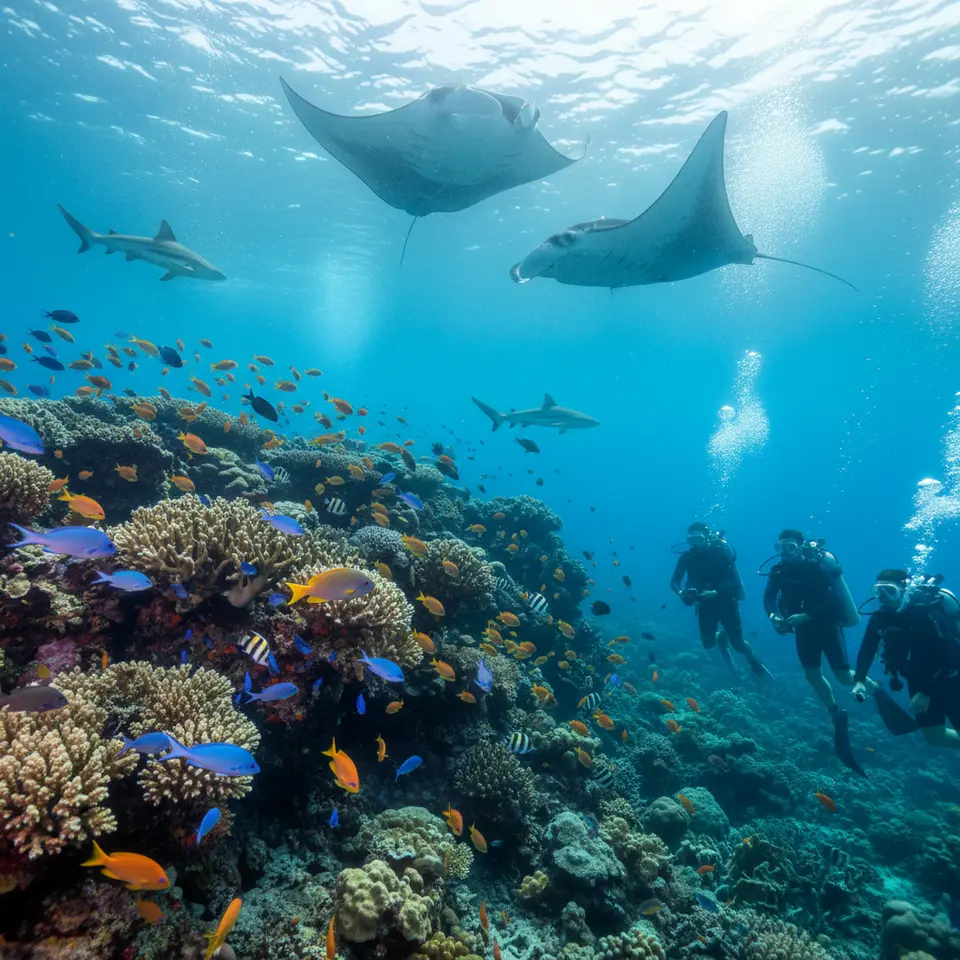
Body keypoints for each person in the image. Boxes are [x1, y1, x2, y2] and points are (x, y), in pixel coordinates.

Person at [762, 528, 867, 774]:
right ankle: (835, 712)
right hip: (801, 629)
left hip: (827, 626)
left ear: (800, 547)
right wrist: (774, 617)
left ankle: (871, 686)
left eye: (790, 547)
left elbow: (834, 602)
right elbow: (768, 599)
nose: (785, 552)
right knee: (811, 674)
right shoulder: (779, 571)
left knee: (843, 676)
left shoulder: (816, 567)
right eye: (781, 547)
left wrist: (807, 615)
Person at [853, 570, 960, 749]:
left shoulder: (925, 615)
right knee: (935, 738)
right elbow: (867, 649)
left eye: (889, 590)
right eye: (878, 591)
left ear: (904, 589)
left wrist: (926, 693)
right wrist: (860, 680)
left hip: (951, 679)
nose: (883, 596)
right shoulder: (881, 618)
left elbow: (951, 655)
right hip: (918, 682)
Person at [670, 521, 767, 677]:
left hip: (726, 603)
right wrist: (681, 592)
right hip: (704, 604)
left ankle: (753, 662)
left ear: (707, 537)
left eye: (698, 538)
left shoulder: (720, 554)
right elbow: (674, 581)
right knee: (708, 644)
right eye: (691, 539)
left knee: (738, 644)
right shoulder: (687, 557)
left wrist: (716, 592)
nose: (695, 543)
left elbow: (733, 583)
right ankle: (722, 636)